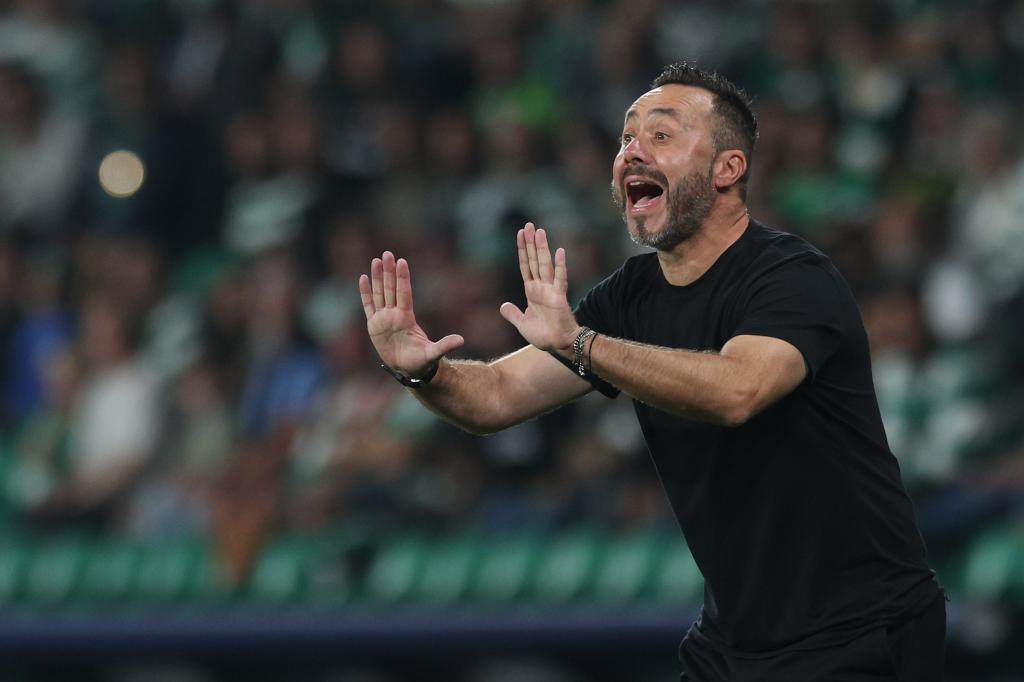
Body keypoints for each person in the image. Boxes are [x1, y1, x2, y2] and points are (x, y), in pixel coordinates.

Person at [358, 62, 945, 681]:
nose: (632, 150)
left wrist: (582, 344)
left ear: (728, 169)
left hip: (860, 634)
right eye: (626, 137)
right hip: (733, 643)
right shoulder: (630, 297)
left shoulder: (794, 277)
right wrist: (423, 373)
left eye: (661, 135)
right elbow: (497, 396)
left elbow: (738, 389)